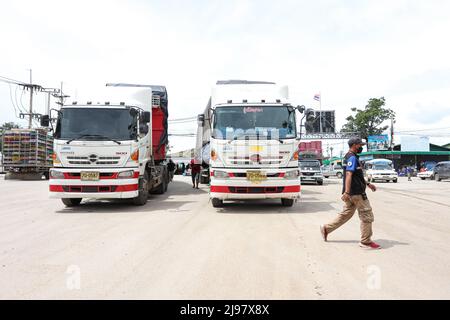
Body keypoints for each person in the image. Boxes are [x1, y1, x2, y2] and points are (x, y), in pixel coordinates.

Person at [320, 137, 381, 250]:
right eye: (360, 145)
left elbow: (357, 176)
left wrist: (367, 184)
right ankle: (366, 242)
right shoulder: (352, 158)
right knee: (367, 215)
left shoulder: (348, 157)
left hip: (352, 193)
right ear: (354, 145)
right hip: (356, 193)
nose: (361, 147)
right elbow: (349, 174)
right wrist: (347, 192)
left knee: (346, 214)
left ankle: (326, 229)